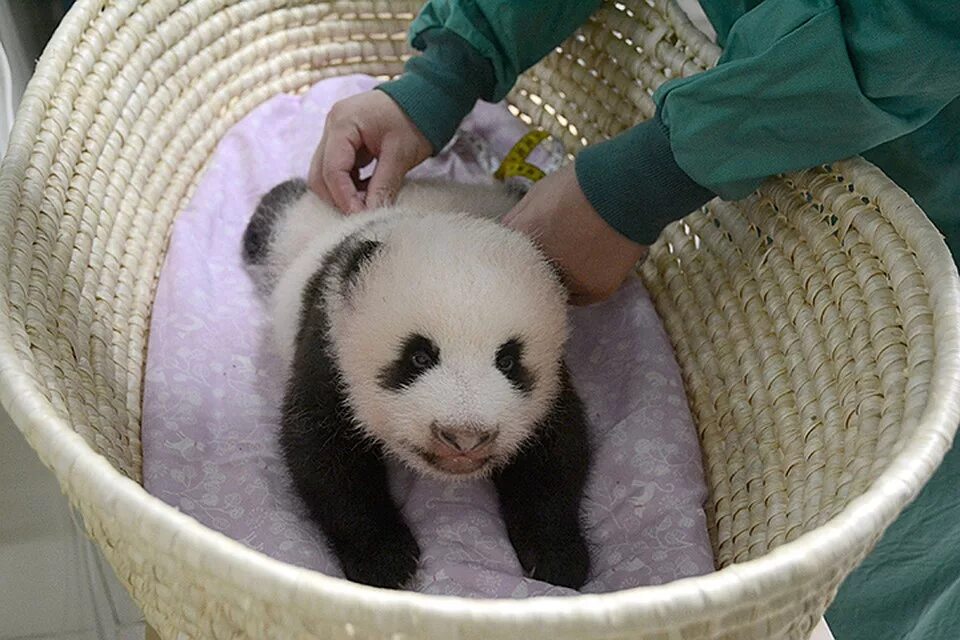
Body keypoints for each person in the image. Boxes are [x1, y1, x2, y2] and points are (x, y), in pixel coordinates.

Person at [307, 2, 960, 638]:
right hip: (756, 106)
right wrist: (447, 69)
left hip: (925, 170)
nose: (468, 429)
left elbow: (918, 26)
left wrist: (648, 177)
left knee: (888, 552)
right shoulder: (340, 304)